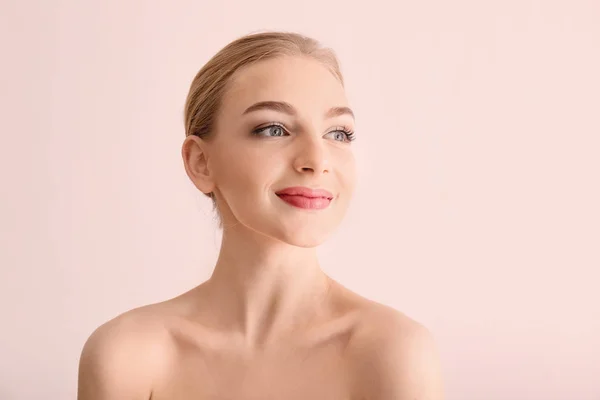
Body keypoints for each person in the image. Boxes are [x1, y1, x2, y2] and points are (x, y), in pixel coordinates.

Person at [77, 30, 444, 400]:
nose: (317, 160)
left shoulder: (392, 353)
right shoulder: (127, 355)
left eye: (338, 133)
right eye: (273, 129)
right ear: (201, 162)